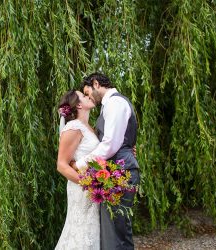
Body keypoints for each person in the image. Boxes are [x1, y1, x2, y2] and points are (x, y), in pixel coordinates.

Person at [72, 72, 140, 250]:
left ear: (96, 84)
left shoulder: (115, 103)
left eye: (87, 93)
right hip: (115, 172)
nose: (88, 97)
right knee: (114, 231)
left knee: (117, 233)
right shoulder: (108, 105)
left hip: (121, 172)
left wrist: (80, 164)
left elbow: (110, 144)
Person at [55, 90, 100, 250]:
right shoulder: (73, 127)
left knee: (90, 231)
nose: (89, 96)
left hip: (92, 188)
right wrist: (88, 184)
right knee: (81, 232)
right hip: (82, 189)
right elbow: (61, 164)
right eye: (84, 95)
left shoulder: (89, 127)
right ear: (79, 104)